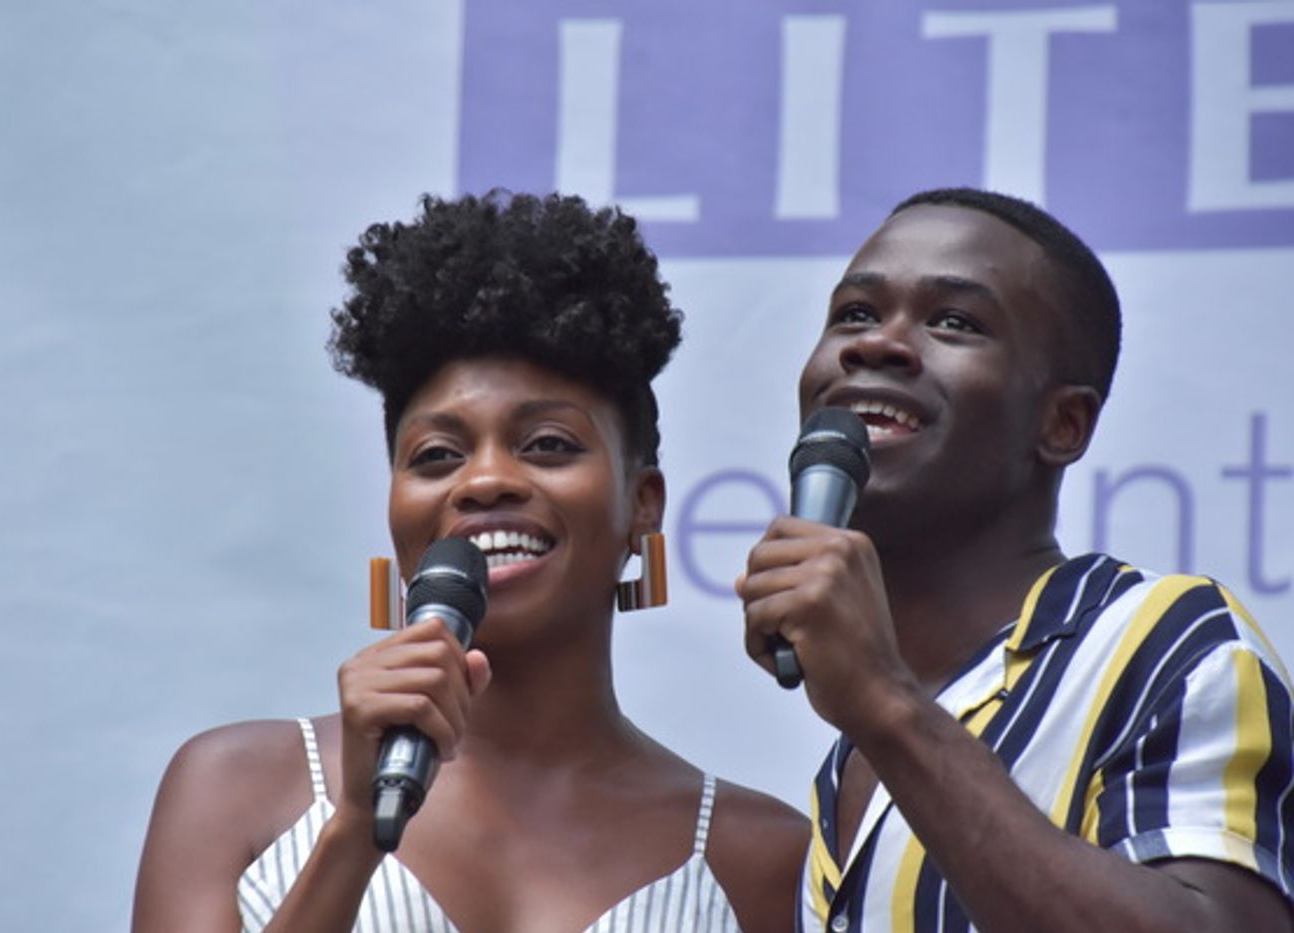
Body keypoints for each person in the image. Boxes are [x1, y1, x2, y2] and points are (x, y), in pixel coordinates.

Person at [133, 190, 810, 932]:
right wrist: (356, 828)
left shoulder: (761, 858)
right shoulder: (235, 789)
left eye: (548, 443)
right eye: (437, 455)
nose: (484, 481)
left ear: (642, 503)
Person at [737, 187, 1294, 932]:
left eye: (954, 322)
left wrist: (886, 706)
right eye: (855, 313)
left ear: (1063, 423)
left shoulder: (1166, 644)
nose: (875, 343)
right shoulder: (847, 763)